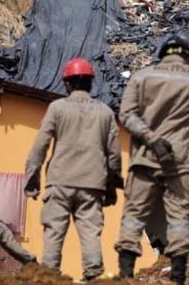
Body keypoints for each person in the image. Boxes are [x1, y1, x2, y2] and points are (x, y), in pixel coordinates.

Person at [116, 35, 189, 284]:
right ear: (188, 56)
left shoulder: (141, 77)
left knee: (134, 216)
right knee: (180, 219)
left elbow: (126, 115)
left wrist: (152, 138)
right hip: (180, 161)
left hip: (146, 158)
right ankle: (178, 275)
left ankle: (125, 275)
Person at [24, 58, 123, 282]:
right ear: (91, 83)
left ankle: (49, 276)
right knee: (90, 233)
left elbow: (40, 145)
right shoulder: (105, 112)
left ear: (67, 84)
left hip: (60, 181)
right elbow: (114, 155)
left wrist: (32, 178)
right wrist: (113, 185)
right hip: (92, 184)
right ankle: (94, 276)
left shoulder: (57, 108)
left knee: (53, 232)